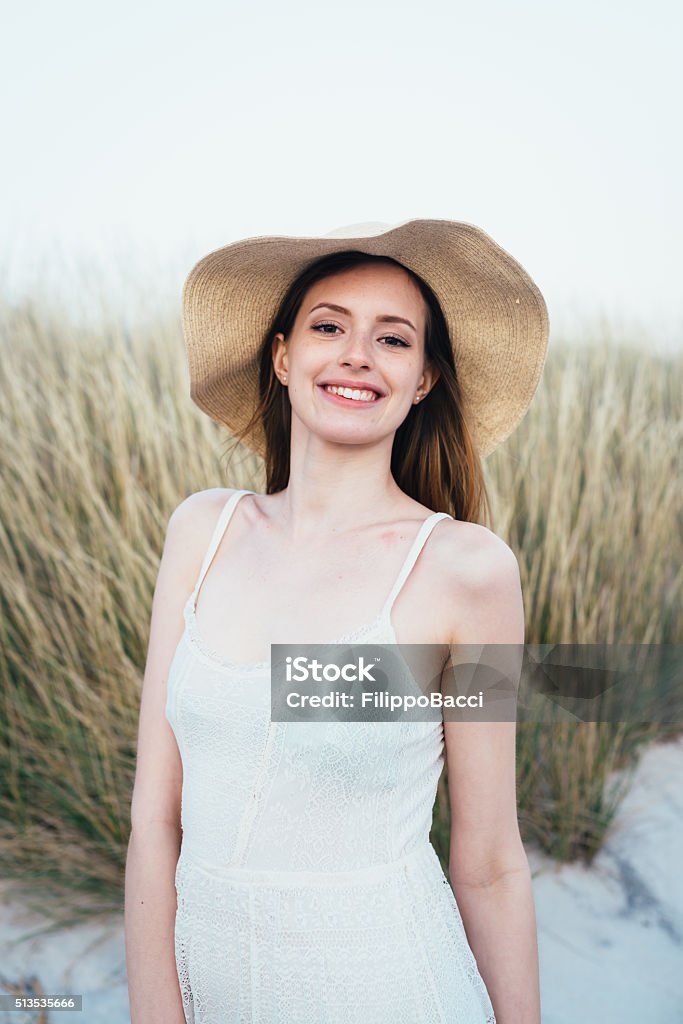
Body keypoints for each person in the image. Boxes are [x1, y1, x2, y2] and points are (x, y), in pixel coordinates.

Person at [124, 219, 549, 1024]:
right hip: (210, 989)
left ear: (422, 379)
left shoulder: (469, 572)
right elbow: (155, 817)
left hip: (391, 989)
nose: (356, 354)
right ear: (284, 356)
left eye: (393, 339)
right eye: (329, 327)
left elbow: (490, 860)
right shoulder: (202, 531)